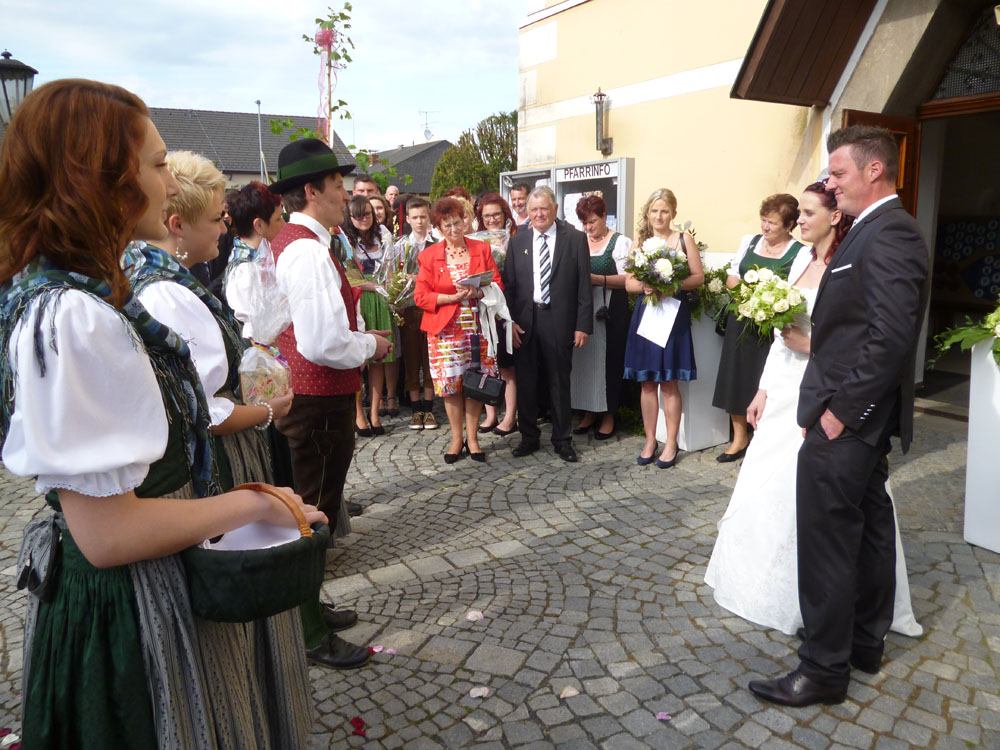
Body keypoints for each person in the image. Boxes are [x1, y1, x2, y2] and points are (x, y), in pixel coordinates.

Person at [0, 79, 326, 748]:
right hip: (126, 606)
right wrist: (253, 502)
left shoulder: (78, 295)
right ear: (100, 181)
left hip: (144, 583)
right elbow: (107, 533)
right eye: (155, 165)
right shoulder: (72, 316)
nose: (168, 185)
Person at [749, 126, 931, 707]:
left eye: (838, 173)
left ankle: (824, 668)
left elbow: (891, 337)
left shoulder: (891, 232)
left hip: (848, 418)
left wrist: (841, 414)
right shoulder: (869, 229)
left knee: (827, 538)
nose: (830, 183)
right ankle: (863, 643)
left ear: (874, 170)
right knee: (870, 527)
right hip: (851, 416)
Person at [704, 181, 922, 642]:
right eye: (798, 213)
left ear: (834, 217)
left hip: (822, 388)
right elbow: (781, 333)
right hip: (784, 385)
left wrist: (812, 346)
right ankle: (763, 584)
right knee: (766, 482)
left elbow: (859, 337)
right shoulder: (802, 258)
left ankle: (826, 611)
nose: (798, 220)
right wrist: (763, 388)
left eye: (807, 213)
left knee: (819, 497)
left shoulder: (852, 262)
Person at [268, 138, 394, 668]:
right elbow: (322, 343)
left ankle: (308, 607)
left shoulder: (297, 243)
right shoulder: (306, 251)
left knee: (310, 506)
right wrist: (370, 345)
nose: (347, 196)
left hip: (313, 397)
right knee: (312, 513)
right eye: (338, 186)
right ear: (311, 191)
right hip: (317, 401)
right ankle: (308, 632)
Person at [502, 185, 592, 462]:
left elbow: (583, 286)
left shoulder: (575, 239)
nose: (539, 214)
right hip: (525, 322)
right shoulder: (517, 242)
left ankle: (562, 440)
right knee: (527, 381)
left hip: (559, 319)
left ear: (555, 209)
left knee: (559, 382)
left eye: (544, 208)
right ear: (527, 212)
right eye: (534, 209)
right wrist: (509, 323)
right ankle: (529, 437)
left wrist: (582, 325)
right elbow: (509, 288)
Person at [713, 194, 804, 462]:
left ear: (789, 225)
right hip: (741, 319)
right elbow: (732, 276)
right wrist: (749, 297)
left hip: (773, 326)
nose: (765, 227)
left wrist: (769, 302)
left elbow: (796, 290)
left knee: (765, 379)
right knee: (737, 376)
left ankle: (764, 439)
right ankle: (739, 437)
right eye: (764, 220)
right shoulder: (750, 242)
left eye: (772, 223)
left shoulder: (799, 252)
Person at [414, 197, 502, 463]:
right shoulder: (429, 255)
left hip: (477, 327)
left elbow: (498, 284)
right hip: (445, 332)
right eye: (447, 225)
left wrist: (477, 292)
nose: (454, 229)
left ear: (465, 221)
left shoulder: (481, 248)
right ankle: (456, 439)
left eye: (457, 223)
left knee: (475, 383)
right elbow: (421, 297)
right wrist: (450, 298)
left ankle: (473, 439)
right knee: (451, 386)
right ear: (439, 229)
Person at [623, 188, 705, 468]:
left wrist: (672, 285)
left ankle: (671, 442)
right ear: (647, 213)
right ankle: (650, 440)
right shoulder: (640, 242)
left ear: (673, 213)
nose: (659, 216)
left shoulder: (683, 239)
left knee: (669, 383)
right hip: (647, 314)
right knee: (647, 382)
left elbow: (698, 277)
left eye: (665, 211)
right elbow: (628, 283)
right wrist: (644, 286)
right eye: (655, 211)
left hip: (672, 315)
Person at [571, 195, 631, 440]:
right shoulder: (579, 242)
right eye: (585, 223)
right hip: (584, 307)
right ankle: (589, 410)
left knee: (609, 362)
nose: (589, 227)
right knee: (585, 361)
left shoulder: (620, 242)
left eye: (593, 221)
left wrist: (597, 279)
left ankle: (608, 414)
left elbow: (628, 279)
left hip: (611, 308)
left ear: (605, 216)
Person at [342, 195, 400, 427]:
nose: (363, 219)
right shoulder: (345, 239)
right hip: (358, 299)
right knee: (358, 359)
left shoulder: (383, 235)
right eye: (357, 216)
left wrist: (392, 292)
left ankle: (375, 413)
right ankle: (359, 414)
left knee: (378, 357)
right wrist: (374, 286)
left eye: (367, 214)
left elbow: (391, 269)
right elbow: (348, 279)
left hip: (381, 299)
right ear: (350, 217)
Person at [384, 197, 439, 430]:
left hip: (432, 308)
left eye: (423, 217)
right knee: (411, 358)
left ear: (429, 217)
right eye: (415, 217)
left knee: (429, 358)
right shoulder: (400, 246)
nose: (419, 221)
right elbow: (392, 277)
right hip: (408, 309)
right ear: (407, 219)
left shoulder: (438, 244)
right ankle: (416, 409)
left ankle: (429, 407)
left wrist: (417, 279)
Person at [474, 192, 519, 436]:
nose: (492, 220)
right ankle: (491, 413)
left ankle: (510, 416)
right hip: (484, 307)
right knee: (486, 363)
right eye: (486, 216)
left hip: (508, 307)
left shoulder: (516, 239)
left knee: (507, 365)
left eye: (496, 214)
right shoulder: (476, 242)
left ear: (505, 215)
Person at [222, 180, 286, 341]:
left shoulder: (260, 255)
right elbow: (253, 330)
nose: (284, 224)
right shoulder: (246, 269)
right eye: (278, 219)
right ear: (259, 225)